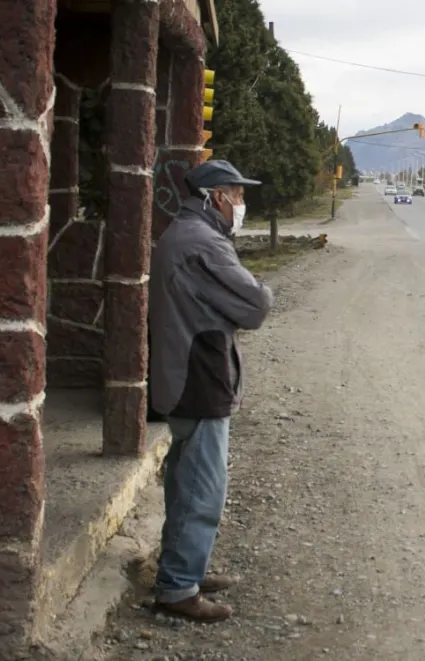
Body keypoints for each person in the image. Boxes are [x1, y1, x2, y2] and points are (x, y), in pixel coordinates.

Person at [148, 160, 274, 622]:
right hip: (197, 377)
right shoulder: (203, 243)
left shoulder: (185, 234)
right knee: (203, 488)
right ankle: (179, 587)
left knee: (185, 481)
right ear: (216, 197)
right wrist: (263, 290)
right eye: (237, 195)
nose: (241, 203)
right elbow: (255, 305)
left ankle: (184, 568)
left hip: (183, 374)